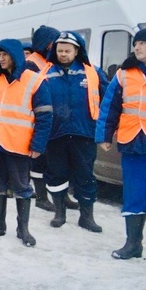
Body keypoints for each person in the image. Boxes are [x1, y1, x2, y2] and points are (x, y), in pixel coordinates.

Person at [96, 27, 146, 260]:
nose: (136, 47)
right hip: (132, 144)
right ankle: (133, 244)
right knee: (134, 196)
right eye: (135, 43)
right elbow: (110, 106)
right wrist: (103, 135)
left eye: (142, 43)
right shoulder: (124, 73)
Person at [0, 38, 52, 247]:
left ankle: (23, 229)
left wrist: (38, 145)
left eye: (5, 55)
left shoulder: (34, 80)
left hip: (19, 144)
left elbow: (45, 116)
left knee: (22, 187)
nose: (1, 59)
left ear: (15, 55)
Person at [43, 31, 108, 232]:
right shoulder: (45, 73)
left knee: (85, 175)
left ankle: (86, 217)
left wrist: (104, 130)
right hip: (55, 135)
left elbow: (107, 103)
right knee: (56, 174)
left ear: (76, 51)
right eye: (60, 50)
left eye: (67, 51)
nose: (63, 54)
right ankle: (59, 212)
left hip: (84, 134)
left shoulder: (93, 73)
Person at [25, 25, 70, 213]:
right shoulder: (31, 63)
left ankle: (62, 195)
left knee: (59, 161)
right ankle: (41, 196)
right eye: (53, 42)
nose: (56, 46)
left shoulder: (50, 61)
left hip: (57, 119)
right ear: (45, 43)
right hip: (39, 118)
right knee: (39, 160)